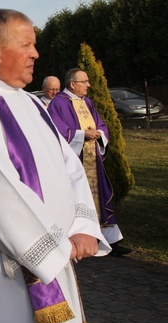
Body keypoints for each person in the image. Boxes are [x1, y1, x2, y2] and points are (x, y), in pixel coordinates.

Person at [0, 9, 111, 323]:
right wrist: (61, 248)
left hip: (59, 256)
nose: (36, 53)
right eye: (27, 45)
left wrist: (82, 227)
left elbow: (70, 169)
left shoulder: (31, 104)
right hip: (5, 271)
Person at [47, 68, 132, 257]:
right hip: (74, 161)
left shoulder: (87, 102)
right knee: (76, 197)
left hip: (93, 159)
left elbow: (101, 124)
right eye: (84, 81)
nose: (88, 85)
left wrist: (99, 134)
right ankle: (78, 240)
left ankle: (110, 240)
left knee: (100, 194)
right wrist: (82, 135)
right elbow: (56, 129)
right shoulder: (58, 104)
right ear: (72, 84)